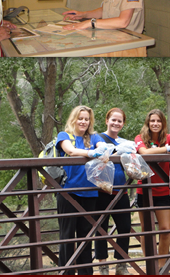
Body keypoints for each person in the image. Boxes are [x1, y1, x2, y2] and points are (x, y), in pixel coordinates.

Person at [54, 105, 104, 276]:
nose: (83, 121)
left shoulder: (94, 137)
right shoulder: (64, 135)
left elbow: (104, 149)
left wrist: (99, 150)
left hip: (90, 193)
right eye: (80, 118)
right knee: (67, 237)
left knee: (86, 237)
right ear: (74, 119)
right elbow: (70, 151)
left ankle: (85, 273)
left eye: (86, 119)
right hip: (67, 193)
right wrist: (92, 153)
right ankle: (66, 273)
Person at [134, 109, 170, 261]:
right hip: (144, 191)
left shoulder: (168, 138)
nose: (155, 124)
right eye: (152, 121)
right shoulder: (140, 138)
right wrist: (167, 149)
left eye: (158, 121)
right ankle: (150, 264)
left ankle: (161, 265)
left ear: (163, 123)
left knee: (165, 229)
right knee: (147, 230)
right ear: (148, 122)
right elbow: (144, 152)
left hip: (163, 191)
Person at [96, 108, 137, 276]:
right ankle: (103, 266)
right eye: (113, 120)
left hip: (121, 190)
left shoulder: (125, 142)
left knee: (125, 228)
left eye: (119, 121)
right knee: (101, 229)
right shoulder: (98, 138)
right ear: (107, 120)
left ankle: (121, 265)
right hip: (101, 190)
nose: (116, 123)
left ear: (123, 124)